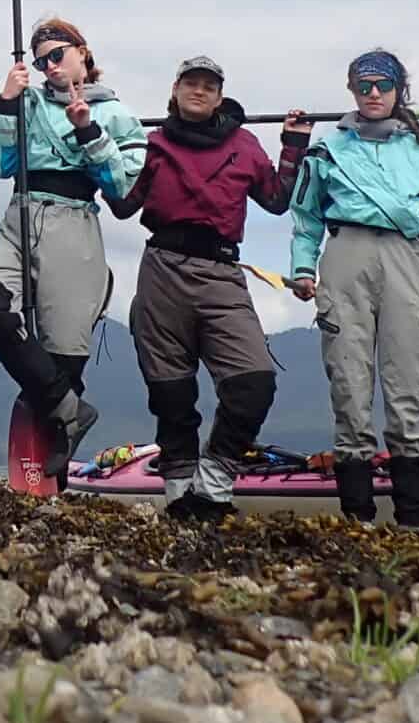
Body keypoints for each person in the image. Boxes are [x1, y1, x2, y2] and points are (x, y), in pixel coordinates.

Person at [287, 48, 419, 527]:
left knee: (406, 395)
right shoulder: (327, 149)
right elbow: (305, 216)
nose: (373, 94)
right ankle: (356, 519)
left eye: (382, 85)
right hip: (345, 257)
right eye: (363, 86)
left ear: (399, 91)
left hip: (407, 259)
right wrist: (302, 268)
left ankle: (412, 522)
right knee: (350, 391)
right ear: (352, 91)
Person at [105, 54, 296, 517]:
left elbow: (276, 200)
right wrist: (96, 142)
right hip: (162, 269)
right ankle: (179, 495)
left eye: (209, 86)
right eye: (190, 83)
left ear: (219, 96)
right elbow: (122, 206)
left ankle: (214, 481)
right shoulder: (149, 145)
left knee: (254, 382)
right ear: (174, 90)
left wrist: (294, 144)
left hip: (221, 272)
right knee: (171, 394)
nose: (199, 90)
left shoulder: (245, 144)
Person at [0, 16, 147, 484]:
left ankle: (55, 483)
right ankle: (71, 409)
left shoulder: (116, 113)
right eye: (40, 59)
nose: (48, 67)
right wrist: (5, 102)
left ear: (82, 53)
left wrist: (88, 131)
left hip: (75, 220)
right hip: (21, 216)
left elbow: (124, 183)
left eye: (56, 55)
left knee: (65, 358)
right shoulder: (24, 102)